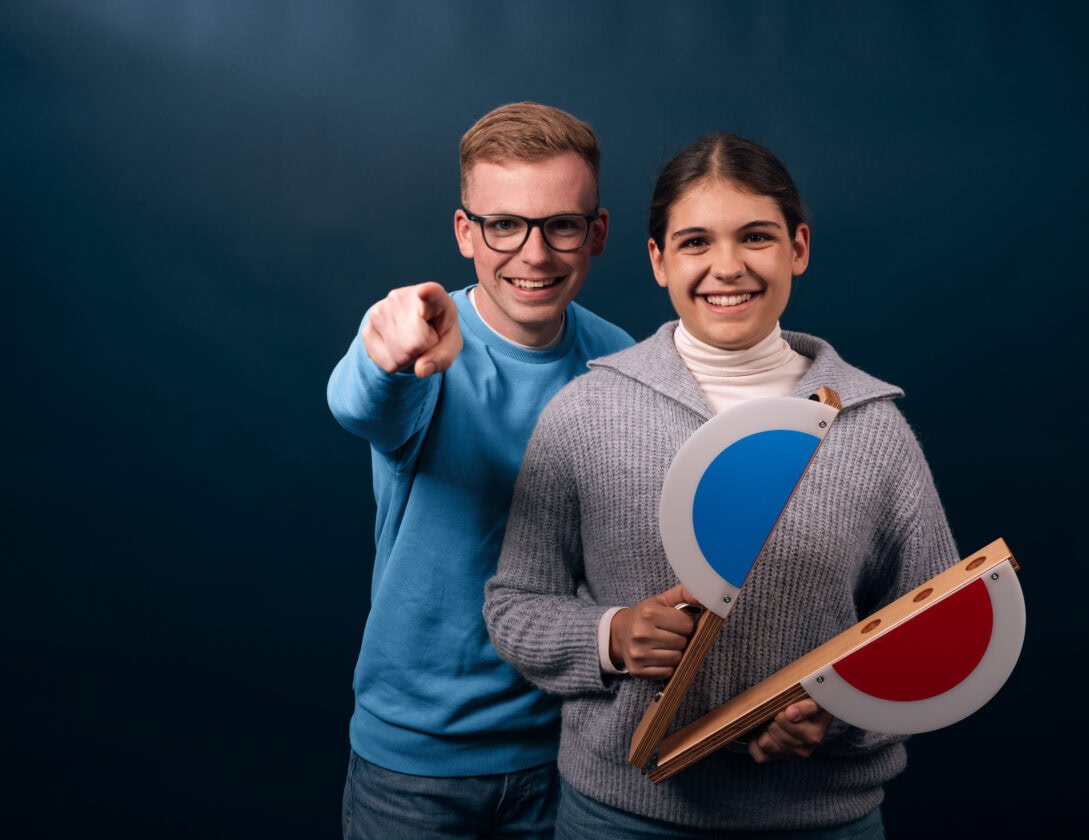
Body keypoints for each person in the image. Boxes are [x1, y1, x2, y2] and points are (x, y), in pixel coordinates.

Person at [484, 133, 958, 838]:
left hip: (821, 821)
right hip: (620, 816)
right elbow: (515, 606)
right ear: (659, 260)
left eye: (756, 236)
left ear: (798, 247)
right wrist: (612, 636)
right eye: (695, 242)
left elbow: (933, 631)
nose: (727, 266)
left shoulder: (873, 430)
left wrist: (838, 713)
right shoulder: (584, 412)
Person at [327, 101, 634, 839]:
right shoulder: (426, 341)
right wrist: (384, 352)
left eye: (561, 225)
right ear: (466, 233)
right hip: (414, 769)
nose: (534, 254)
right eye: (504, 225)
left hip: (569, 755)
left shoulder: (621, 362)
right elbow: (361, 403)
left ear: (597, 233)